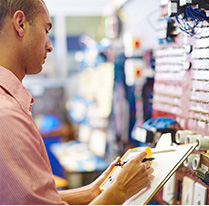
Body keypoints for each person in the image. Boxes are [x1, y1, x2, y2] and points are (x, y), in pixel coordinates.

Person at [0, 0, 154, 204]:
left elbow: (24, 198)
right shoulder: (7, 116)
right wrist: (119, 191)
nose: (50, 45)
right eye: (46, 30)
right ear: (20, 24)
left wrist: (92, 192)